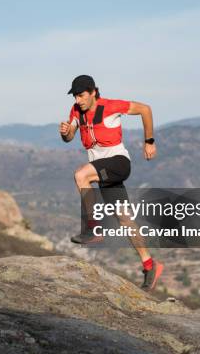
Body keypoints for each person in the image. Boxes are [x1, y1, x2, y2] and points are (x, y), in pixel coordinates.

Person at [59, 74, 164, 291]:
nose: (78, 100)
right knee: (125, 220)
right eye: (75, 96)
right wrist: (66, 133)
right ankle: (150, 265)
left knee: (81, 175)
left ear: (93, 92)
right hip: (101, 170)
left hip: (118, 163)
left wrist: (149, 141)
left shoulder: (110, 106)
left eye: (81, 95)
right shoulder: (76, 111)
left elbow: (145, 109)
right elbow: (69, 137)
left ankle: (93, 227)